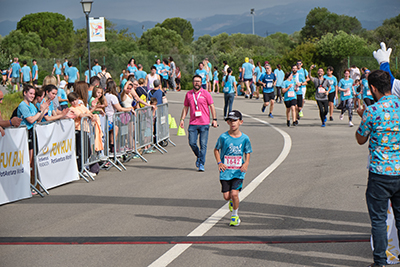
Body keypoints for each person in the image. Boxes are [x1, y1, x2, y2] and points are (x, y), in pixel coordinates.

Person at [355, 69, 400, 267]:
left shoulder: (372, 111)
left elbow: (360, 139)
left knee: (379, 220)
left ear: (373, 88)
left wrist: (362, 116)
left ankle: (380, 261)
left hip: (380, 173)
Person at [214, 110, 252, 227]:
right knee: (227, 196)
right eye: (230, 121)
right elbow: (216, 150)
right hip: (225, 172)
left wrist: (246, 163)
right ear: (227, 123)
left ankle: (235, 216)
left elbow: (248, 151)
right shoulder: (223, 137)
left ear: (241, 122)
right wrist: (219, 162)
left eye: (235, 120)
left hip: (238, 171)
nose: (232, 123)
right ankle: (231, 201)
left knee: (235, 194)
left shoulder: (245, 138)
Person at [179, 75, 218, 171]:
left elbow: (211, 106)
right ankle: (199, 156)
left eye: (198, 81)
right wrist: (182, 119)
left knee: (203, 144)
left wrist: (214, 119)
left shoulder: (206, 94)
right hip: (193, 123)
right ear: (193, 83)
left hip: (204, 123)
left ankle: (201, 164)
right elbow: (185, 107)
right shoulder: (188, 94)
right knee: (192, 143)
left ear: (201, 83)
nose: (197, 83)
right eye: (195, 81)